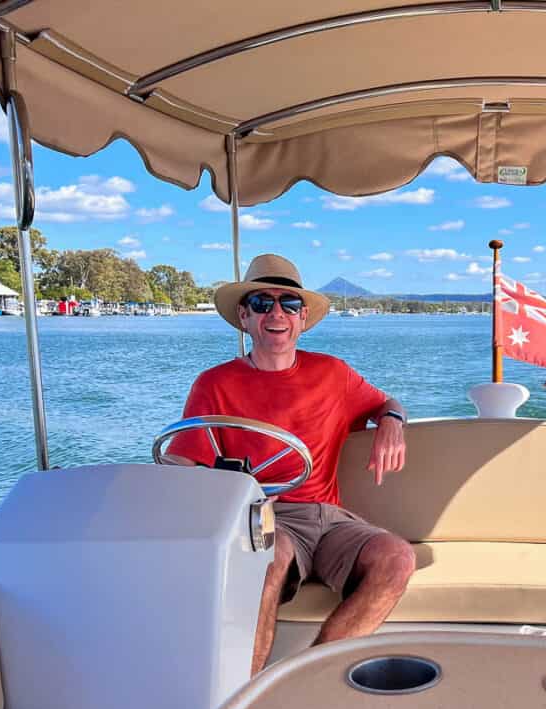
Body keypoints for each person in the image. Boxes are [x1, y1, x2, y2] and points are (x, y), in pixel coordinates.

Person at [166, 254, 416, 675]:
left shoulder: (333, 373)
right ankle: (241, 694)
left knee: (397, 558)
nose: (276, 313)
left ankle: (310, 678)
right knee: (271, 552)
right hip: (264, 516)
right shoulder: (215, 384)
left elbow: (386, 402)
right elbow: (181, 464)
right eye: (263, 303)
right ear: (245, 317)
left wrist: (391, 421)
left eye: (289, 305)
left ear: (302, 318)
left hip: (331, 518)